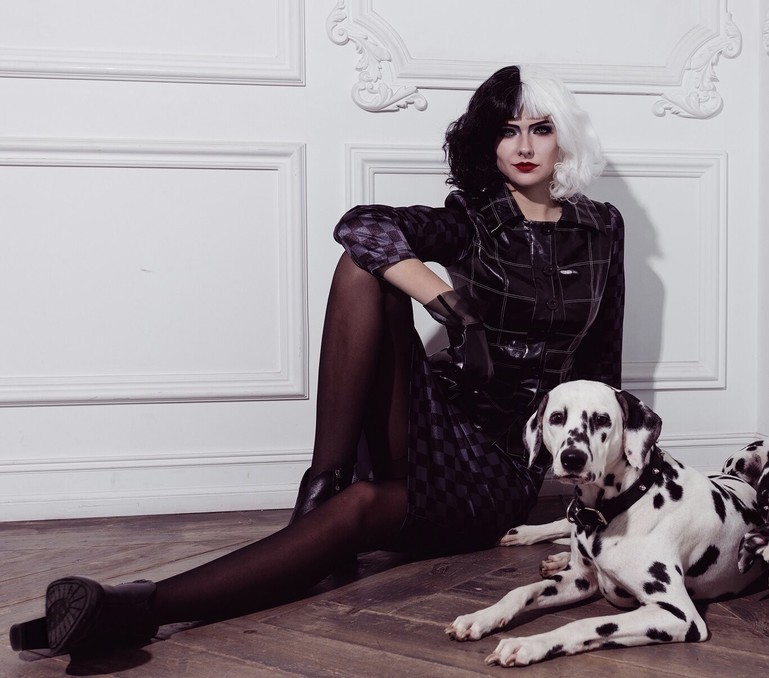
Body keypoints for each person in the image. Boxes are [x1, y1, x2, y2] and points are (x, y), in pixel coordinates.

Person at [8, 64, 625, 657]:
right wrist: (448, 301)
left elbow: (602, 365)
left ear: (564, 139)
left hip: (499, 469)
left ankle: (130, 610)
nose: (524, 146)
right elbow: (362, 226)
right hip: (436, 420)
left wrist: (602, 511)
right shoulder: (472, 221)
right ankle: (320, 485)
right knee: (364, 267)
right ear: (488, 142)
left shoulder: (603, 228)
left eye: (540, 129)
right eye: (507, 130)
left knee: (361, 508)